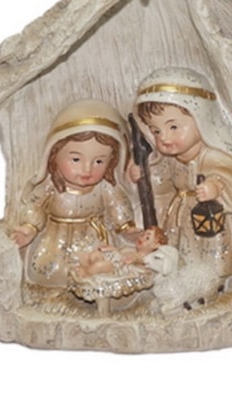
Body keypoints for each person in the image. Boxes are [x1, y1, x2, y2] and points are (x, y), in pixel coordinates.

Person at [132, 68, 232, 300]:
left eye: (173, 127)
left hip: (209, 221)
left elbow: (230, 179)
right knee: (180, 254)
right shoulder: (169, 159)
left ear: (201, 119)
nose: (164, 137)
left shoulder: (213, 157)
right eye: (156, 130)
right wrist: (143, 174)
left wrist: (215, 187)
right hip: (179, 217)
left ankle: (212, 283)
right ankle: (183, 283)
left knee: (207, 253)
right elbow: (161, 183)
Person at [12, 99, 139, 288]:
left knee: (97, 272)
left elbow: (117, 206)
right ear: (54, 156)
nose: (87, 169)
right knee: (53, 273)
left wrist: (126, 228)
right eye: (76, 159)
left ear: (111, 162)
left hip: (93, 243)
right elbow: (35, 206)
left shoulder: (105, 187)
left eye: (98, 161)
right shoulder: (51, 186)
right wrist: (29, 227)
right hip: (56, 242)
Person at [73, 226, 167, 278]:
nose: (142, 238)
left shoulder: (146, 257)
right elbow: (120, 253)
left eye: (147, 238)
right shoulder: (131, 249)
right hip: (114, 260)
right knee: (95, 255)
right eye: (142, 235)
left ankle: (86, 273)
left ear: (155, 245)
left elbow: (139, 260)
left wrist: (134, 259)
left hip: (118, 269)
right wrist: (112, 249)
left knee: (100, 265)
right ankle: (87, 266)